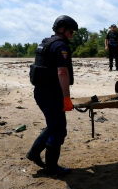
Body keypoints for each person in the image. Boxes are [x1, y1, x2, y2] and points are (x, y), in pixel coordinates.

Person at [27, 15, 78, 176]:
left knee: (53, 125)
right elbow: (62, 72)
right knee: (58, 130)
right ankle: (52, 167)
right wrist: (66, 98)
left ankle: (34, 153)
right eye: (71, 31)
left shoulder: (45, 43)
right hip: (51, 94)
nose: (72, 35)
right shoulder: (60, 46)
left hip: (40, 93)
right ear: (62, 29)